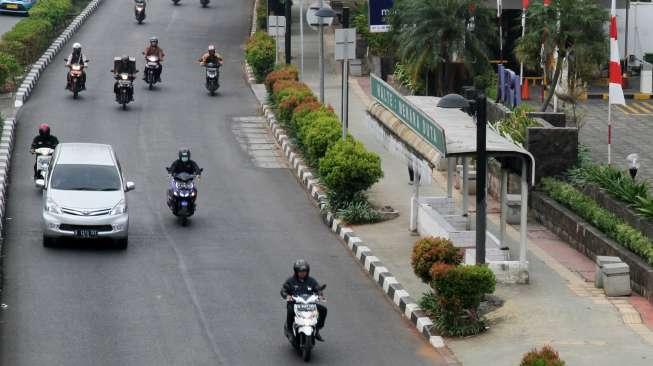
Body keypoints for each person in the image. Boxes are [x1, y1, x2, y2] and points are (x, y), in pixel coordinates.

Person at [280, 259, 327, 341]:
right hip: (295, 304)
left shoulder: (311, 281)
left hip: (309, 304)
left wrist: (320, 294)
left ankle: (317, 329)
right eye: (300, 271)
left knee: (323, 310)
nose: (303, 273)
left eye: (305, 271)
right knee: (290, 310)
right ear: (296, 271)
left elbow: (318, 289)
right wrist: (286, 296)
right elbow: (283, 290)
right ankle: (289, 330)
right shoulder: (290, 281)